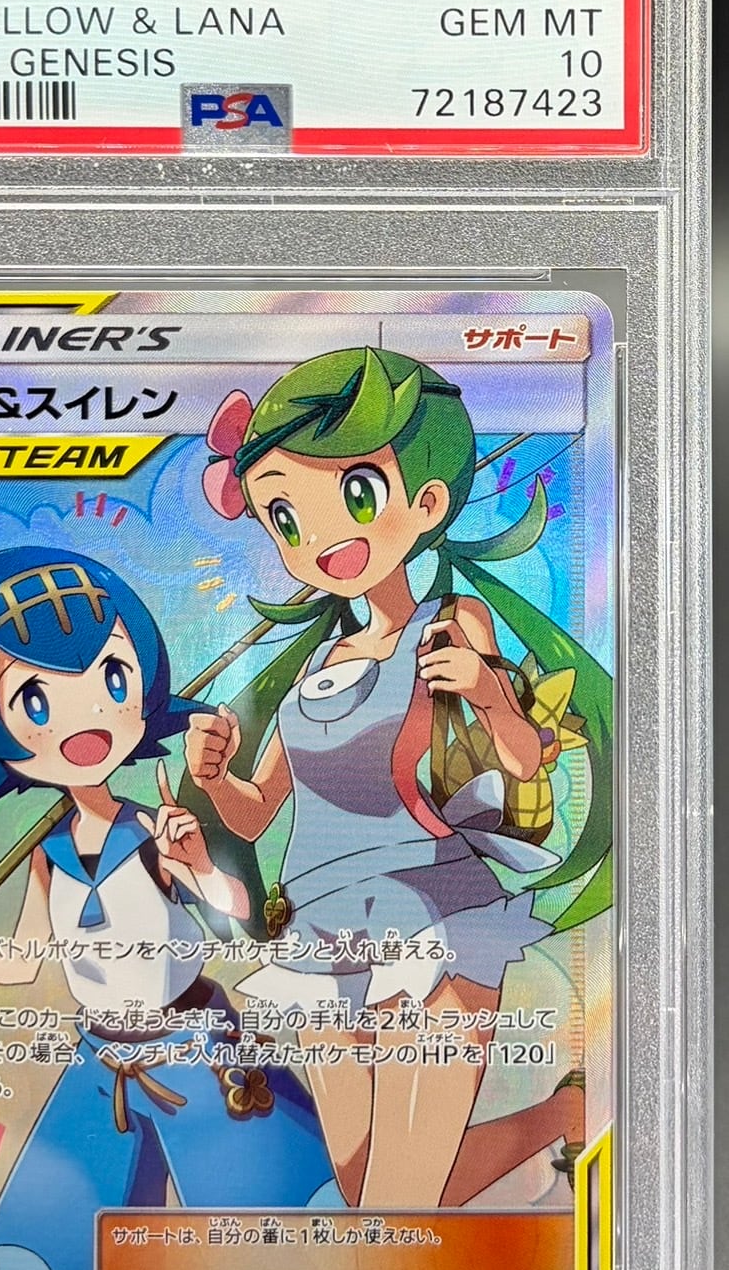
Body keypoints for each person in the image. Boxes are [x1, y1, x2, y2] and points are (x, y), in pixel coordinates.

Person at [188, 348, 609, 1208]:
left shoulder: (451, 622)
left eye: (355, 494)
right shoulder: (316, 664)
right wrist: (216, 777)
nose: (320, 539)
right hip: (320, 933)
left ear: (427, 502)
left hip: (432, 913)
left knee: (397, 1198)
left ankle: (555, 1122)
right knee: (362, 1186)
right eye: (285, 517)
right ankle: (559, 1116)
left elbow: (525, 760)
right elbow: (260, 813)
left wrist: (488, 690)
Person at [0, 548, 333, 1270]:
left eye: (110, 677)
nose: (83, 720)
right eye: (36, 700)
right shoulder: (48, 854)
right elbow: (26, 960)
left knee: (282, 1258)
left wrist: (194, 863)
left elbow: (235, 909)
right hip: (102, 1062)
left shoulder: (155, 830)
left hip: (198, 1050)